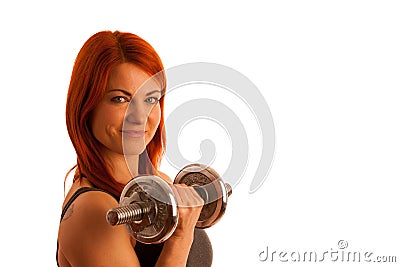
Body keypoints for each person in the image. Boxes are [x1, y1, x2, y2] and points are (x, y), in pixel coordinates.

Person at [57, 30, 213, 266]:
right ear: (87, 106)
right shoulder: (94, 212)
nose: (139, 116)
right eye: (120, 99)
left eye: (150, 99)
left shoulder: (158, 181)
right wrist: (180, 237)